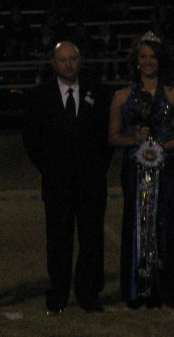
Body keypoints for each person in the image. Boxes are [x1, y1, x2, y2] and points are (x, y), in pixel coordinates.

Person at [108, 32, 174, 309]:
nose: (148, 62)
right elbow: (112, 136)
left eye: (152, 57)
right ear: (136, 61)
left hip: (168, 169)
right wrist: (135, 141)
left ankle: (172, 286)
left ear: (161, 60)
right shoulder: (121, 96)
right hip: (134, 169)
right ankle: (141, 288)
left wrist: (162, 147)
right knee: (137, 222)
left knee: (169, 222)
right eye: (143, 57)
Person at [22, 41, 113, 315]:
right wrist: (49, 169)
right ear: (53, 62)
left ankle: (88, 293)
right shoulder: (39, 96)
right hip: (57, 182)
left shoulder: (99, 92)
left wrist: (97, 169)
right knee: (58, 240)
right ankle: (58, 294)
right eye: (63, 60)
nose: (69, 64)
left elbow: (106, 136)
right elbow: (31, 139)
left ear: (81, 60)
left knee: (92, 239)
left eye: (73, 58)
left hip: (90, 181)